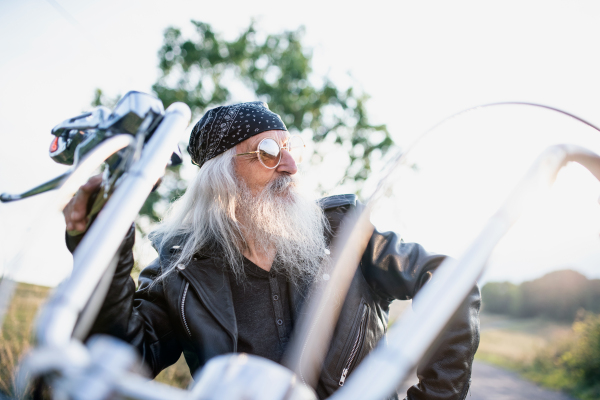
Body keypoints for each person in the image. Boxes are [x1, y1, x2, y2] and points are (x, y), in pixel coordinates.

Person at [64, 101, 480, 400]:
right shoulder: (183, 271)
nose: (290, 166)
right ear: (221, 177)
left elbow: (451, 282)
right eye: (267, 153)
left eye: (289, 149)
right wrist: (104, 244)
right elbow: (124, 351)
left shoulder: (344, 233)